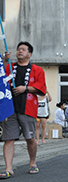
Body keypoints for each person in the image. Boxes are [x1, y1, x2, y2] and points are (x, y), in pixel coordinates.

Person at [1, 42, 46, 178]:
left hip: (28, 108)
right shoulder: (9, 67)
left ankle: (33, 162)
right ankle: (9, 168)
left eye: (23, 49)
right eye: (18, 49)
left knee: (30, 138)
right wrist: (4, 60)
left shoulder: (38, 70)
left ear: (29, 54)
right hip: (10, 109)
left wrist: (25, 89)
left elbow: (41, 88)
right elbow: (1, 77)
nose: (20, 51)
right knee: (9, 139)